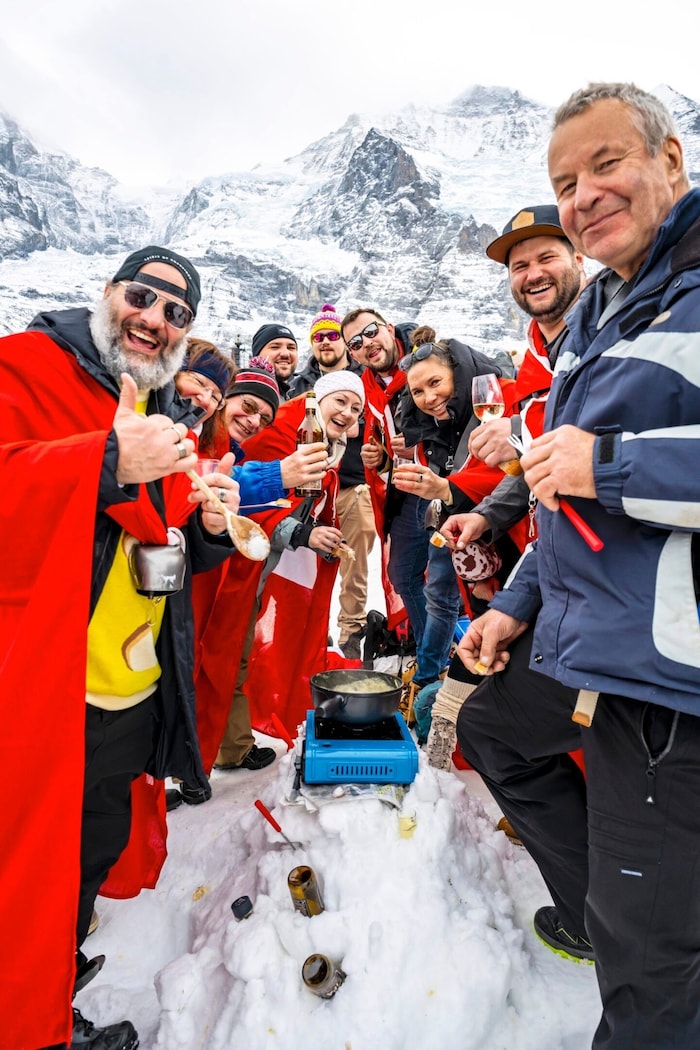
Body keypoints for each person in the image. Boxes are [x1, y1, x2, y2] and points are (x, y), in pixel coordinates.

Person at [456, 83, 700, 1049]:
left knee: (652, 989)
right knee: (493, 732)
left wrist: (613, 465)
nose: (585, 192)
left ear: (671, 161)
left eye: (607, 164)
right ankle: (603, 911)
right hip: (596, 646)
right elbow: (559, 498)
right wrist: (516, 604)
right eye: (566, 180)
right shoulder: (606, 312)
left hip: (671, 684)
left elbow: (589, 474)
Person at [0, 246, 242, 1049]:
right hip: (38, 693)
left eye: (177, 313)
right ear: (108, 294)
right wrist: (104, 460)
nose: (156, 319)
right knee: (21, 873)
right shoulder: (26, 366)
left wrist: (207, 532)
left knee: (81, 862)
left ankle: (48, 994)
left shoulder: (161, 412)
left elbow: (161, 546)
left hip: (125, 697)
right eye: (144, 296)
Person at [420, 206, 587, 768]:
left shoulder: (604, 340)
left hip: (599, 566)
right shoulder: (544, 355)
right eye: (519, 265)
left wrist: (511, 446)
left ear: (579, 258)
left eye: (546, 257)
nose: (533, 273)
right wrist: (486, 517)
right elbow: (533, 474)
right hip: (550, 556)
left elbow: (579, 459)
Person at [242, 370, 366, 735]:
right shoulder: (281, 437)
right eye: (341, 401)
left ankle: (239, 725)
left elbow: (311, 505)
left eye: (356, 408)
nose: (347, 412)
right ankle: (232, 731)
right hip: (248, 556)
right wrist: (300, 533)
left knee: (252, 636)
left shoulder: (331, 448)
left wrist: (323, 537)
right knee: (237, 640)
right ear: (318, 401)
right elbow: (250, 504)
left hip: (276, 552)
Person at [288, 304, 376, 658]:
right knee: (306, 556)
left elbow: (375, 433)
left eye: (331, 335)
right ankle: (311, 625)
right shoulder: (300, 384)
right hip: (309, 487)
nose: (325, 342)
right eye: (318, 337)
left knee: (354, 556)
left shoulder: (362, 379)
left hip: (352, 483)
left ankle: (351, 628)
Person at [251, 322, 299, 398]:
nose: (285, 354)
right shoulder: (248, 394)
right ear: (257, 355)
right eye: (275, 347)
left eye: (291, 348)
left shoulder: (292, 395)